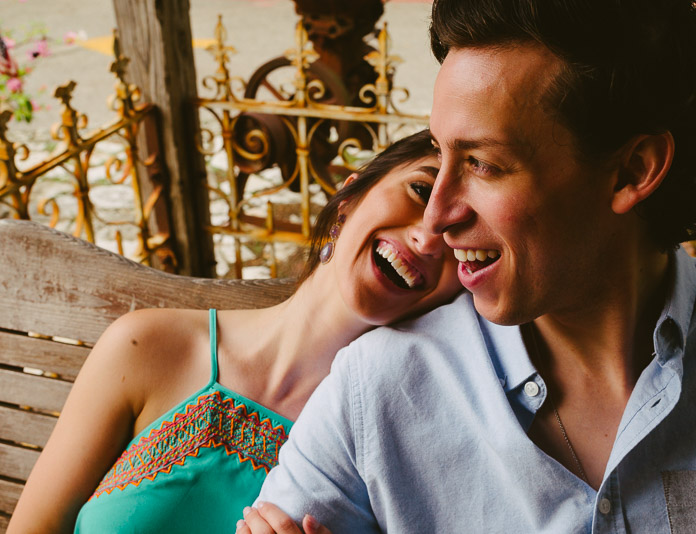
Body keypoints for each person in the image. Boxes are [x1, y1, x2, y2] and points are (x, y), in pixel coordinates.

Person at [238, 0, 696, 532]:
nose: (437, 216)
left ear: (632, 171)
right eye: (438, 153)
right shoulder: (375, 391)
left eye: (483, 164)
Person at [5, 129, 462, 533]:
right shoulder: (148, 347)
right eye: (421, 191)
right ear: (349, 198)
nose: (426, 239)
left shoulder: (391, 440)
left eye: (459, 233)